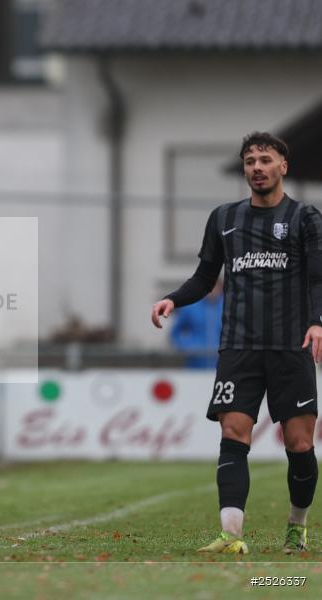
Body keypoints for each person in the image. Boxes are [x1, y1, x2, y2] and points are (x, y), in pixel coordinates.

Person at [152, 132, 320, 555]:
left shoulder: (305, 218)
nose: (257, 168)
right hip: (239, 347)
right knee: (233, 432)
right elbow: (205, 278)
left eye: (265, 159)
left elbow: (319, 278)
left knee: (299, 444)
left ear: (283, 166)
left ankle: (297, 526)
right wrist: (174, 298)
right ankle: (231, 534)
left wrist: (318, 323)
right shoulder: (224, 218)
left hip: (290, 346)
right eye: (249, 161)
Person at [169, 279, 223, 369]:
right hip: (195, 366)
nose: (213, 291)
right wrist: (188, 346)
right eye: (210, 287)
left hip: (221, 366)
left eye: (216, 287)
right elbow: (175, 333)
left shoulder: (228, 307)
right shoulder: (190, 306)